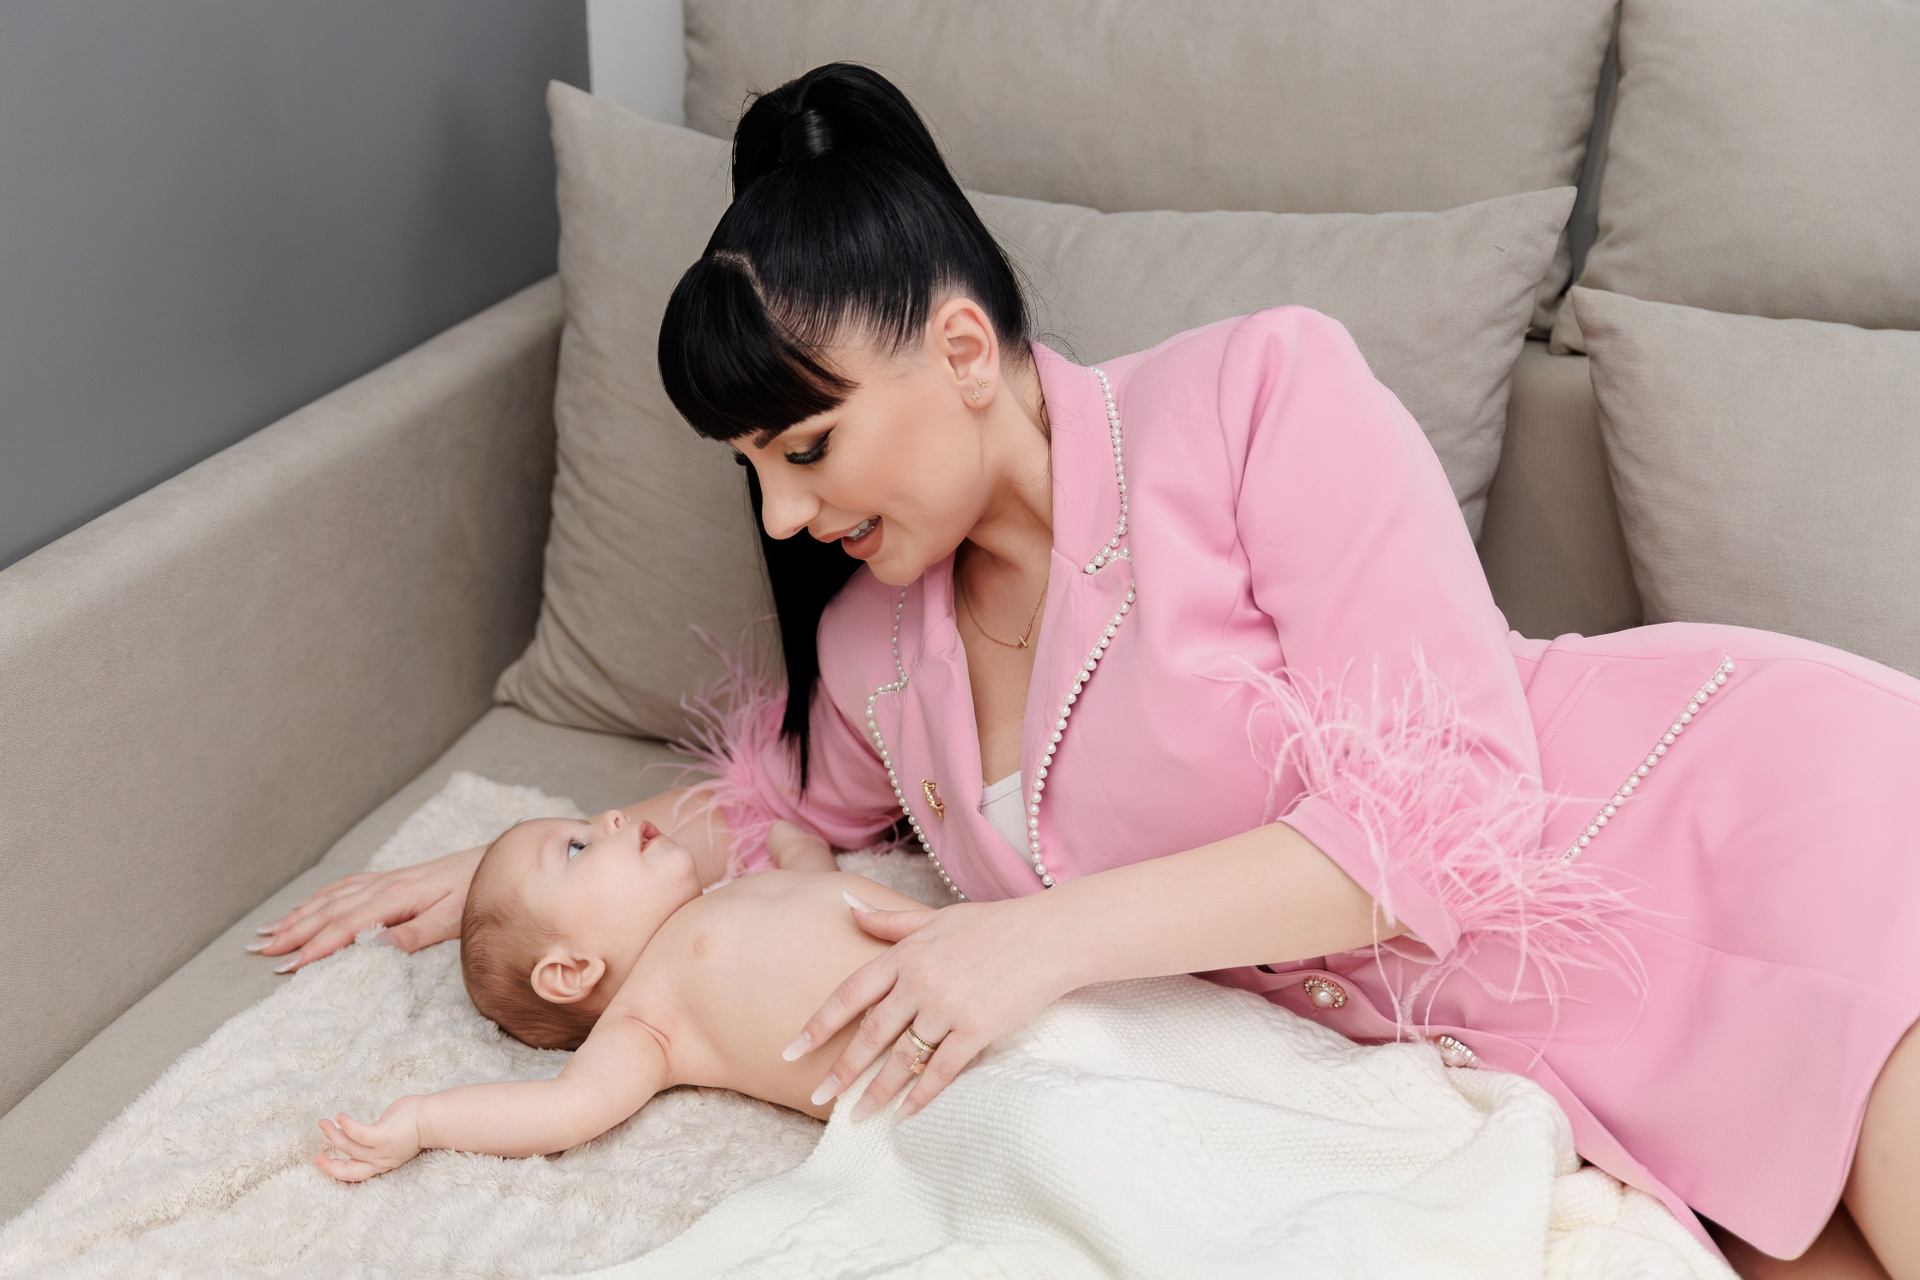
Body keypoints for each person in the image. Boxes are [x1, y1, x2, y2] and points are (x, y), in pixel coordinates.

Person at [263, 62, 1920, 1277]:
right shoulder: (871, 649)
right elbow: (778, 817)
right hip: (1550, 1078)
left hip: (1734, 832)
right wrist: (495, 875)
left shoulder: (1261, 395)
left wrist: (1028, 945)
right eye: (752, 470)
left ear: (961, 351)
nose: (783, 512)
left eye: (807, 447)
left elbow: (1451, 813)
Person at [310, 808, 926, 1182]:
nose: (611, 817)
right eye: (577, 848)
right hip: (934, 1072)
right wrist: (424, 1121)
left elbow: (823, 898)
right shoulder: (648, 1022)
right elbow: (561, 1109)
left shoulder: (727, 895)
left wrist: (802, 851)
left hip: (963, 965)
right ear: (571, 970)